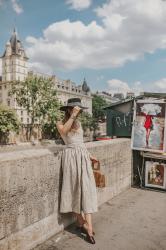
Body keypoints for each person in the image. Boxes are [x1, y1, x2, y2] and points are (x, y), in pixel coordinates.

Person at [56, 97, 99, 244]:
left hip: (83, 158)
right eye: (75, 109)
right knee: (73, 191)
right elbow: (63, 132)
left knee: (87, 190)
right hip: (70, 159)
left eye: (79, 110)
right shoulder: (60, 123)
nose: (78, 112)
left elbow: (81, 144)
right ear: (69, 109)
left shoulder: (79, 123)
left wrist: (90, 155)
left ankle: (88, 226)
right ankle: (84, 224)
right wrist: (73, 115)